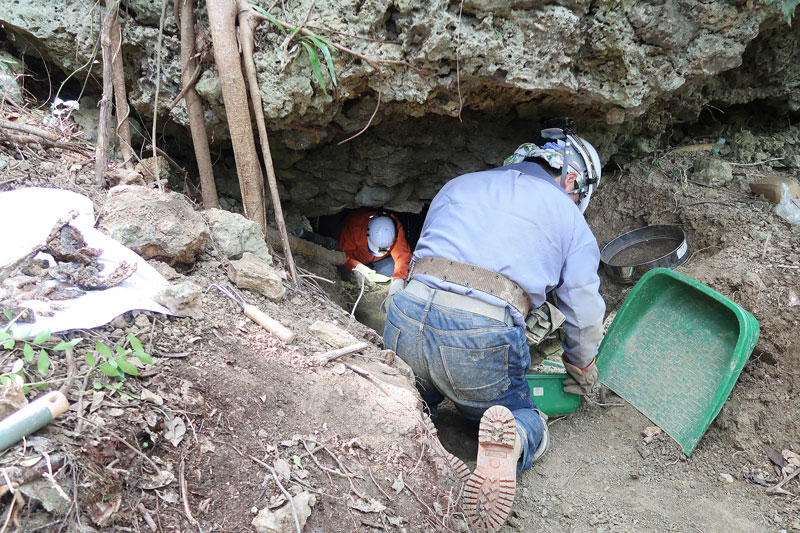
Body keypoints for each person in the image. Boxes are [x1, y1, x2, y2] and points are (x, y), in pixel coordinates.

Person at [383, 120, 605, 532]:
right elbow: (583, 307)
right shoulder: (568, 217)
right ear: (572, 179)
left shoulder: (459, 185)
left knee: (419, 391)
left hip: (406, 314)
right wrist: (581, 363)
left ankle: (415, 425)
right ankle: (515, 437)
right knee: (520, 411)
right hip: (478, 335)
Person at [337, 208, 412, 299]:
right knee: (340, 270)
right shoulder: (355, 224)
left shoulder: (395, 227)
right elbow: (343, 253)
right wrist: (355, 266)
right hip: (357, 257)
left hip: (381, 261)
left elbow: (402, 255)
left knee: (393, 271)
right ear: (367, 233)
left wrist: (399, 279)